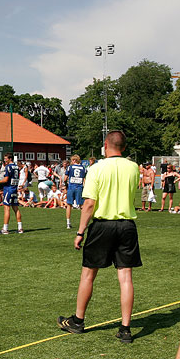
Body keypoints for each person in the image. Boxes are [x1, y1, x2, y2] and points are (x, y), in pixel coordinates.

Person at [57, 131, 141, 343]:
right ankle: (125, 328)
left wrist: (79, 232)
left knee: (88, 274)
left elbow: (90, 204)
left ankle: (77, 321)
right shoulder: (133, 167)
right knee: (125, 277)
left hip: (103, 225)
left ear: (106, 145)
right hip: (127, 225)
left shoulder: (96, 168)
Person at [0, 153, 23, 234]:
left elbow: (6, 179)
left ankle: (5, 229)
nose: (5, 160)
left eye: (6, 158)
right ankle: (20, 228)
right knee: (16, 208)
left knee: (6, 208)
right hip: (14, 188)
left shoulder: (8, 167)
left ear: (10, 159)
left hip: (9, 189)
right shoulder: (16, 167)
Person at [63, 154, 87, 229]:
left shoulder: (70, 167)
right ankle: (84, 223)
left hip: (71, 187)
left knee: (69, 204)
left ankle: (68, 223)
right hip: (79, 187)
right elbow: (84, 179)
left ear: (74, 160)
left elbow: (65, 178)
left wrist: (65, 185)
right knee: (81, 206)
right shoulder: (83, 168)